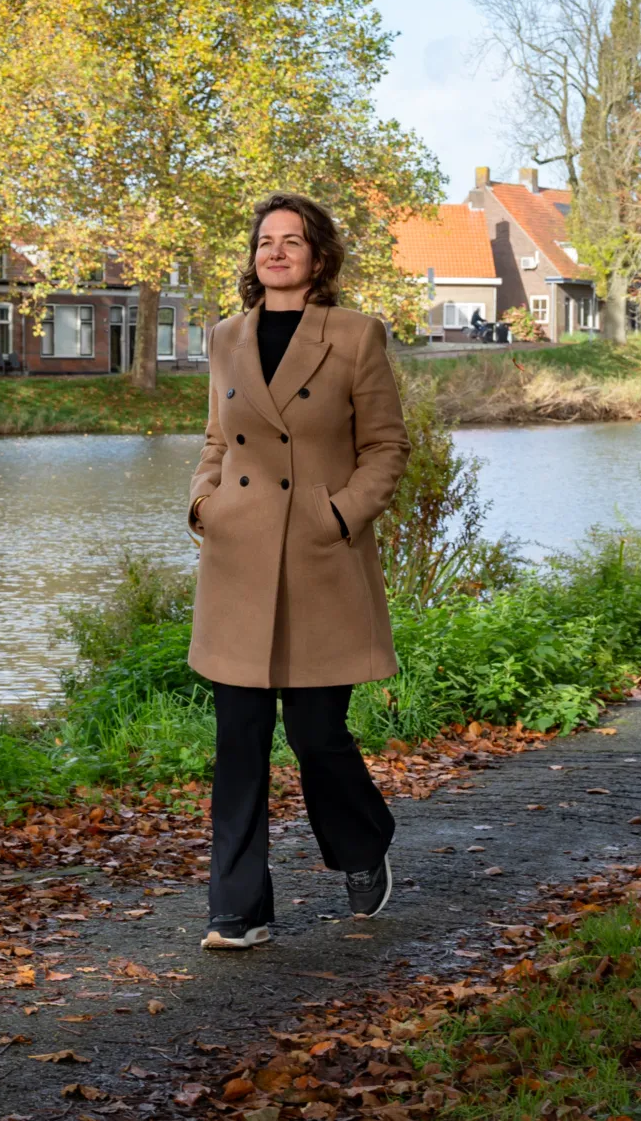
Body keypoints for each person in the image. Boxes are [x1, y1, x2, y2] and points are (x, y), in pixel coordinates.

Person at [186, 192, 412, 949]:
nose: (276, 252)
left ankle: (363, 841)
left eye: (293, 241)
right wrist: (203, 503)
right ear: (253, 258)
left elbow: (387, 448)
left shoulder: (355, 336)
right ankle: (239, 909)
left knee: (317, 733)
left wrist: (339, 514)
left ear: (319, 257)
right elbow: (217, 441)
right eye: (265, 241)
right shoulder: (224, 338)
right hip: (239, 556)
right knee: (240, 737)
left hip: (321, 558)